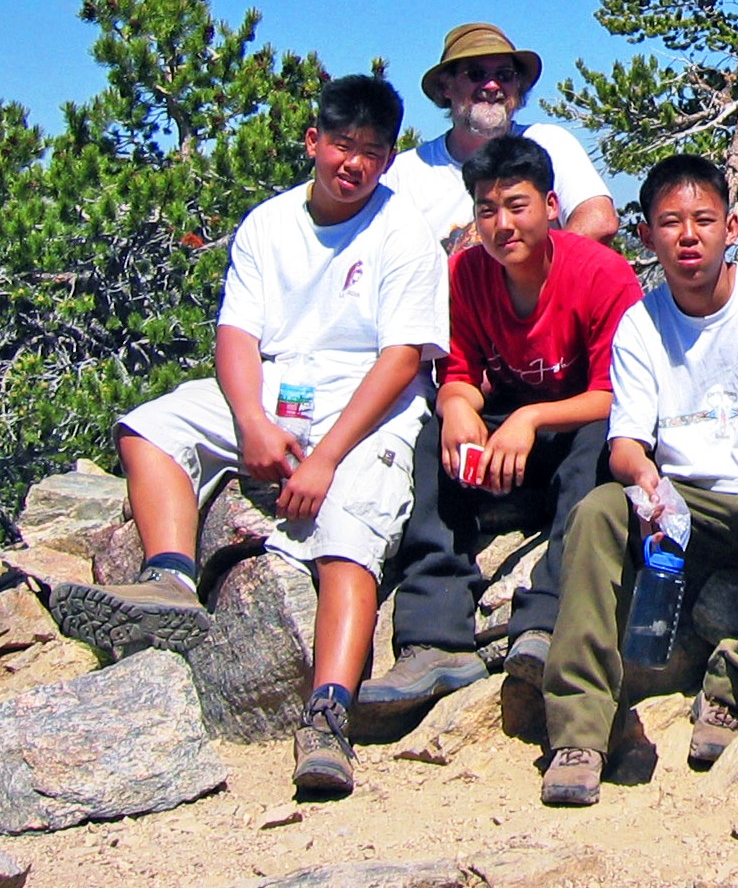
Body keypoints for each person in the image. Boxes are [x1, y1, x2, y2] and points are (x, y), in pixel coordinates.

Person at [50, 76, 448, 797]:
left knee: (350, 530)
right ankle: (169, 577)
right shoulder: (270, 223)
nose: (352, 164)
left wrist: (325, 461)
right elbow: (236, 333)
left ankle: (328, 714)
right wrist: (251, 424)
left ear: (389, 159)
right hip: (277, 382)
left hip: (368, 400)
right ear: (313, 142)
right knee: (151, 425)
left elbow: (400, 359)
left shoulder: (403, 232)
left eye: (370, 151)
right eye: (340, 145)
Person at [540, 155, 738, 806]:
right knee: (600, 511)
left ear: (731, 227)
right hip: (684, 499)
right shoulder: (642, 324)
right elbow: (626, 440)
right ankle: (580, 730)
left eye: (703, 220)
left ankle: (732, 690)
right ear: (646, 235)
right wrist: (645, 480)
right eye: (670, 223)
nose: (688, 236)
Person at [354, 136, 642, 716]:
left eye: (517, 205)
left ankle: (545, 622)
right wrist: (457, 404)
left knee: (600, 438)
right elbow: (456, 372)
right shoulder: (465, 273)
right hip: (509, 443)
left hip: (572, 432)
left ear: (552, 205)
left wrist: (530, 417)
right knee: (436, 434)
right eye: (487, 210)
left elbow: (618, 393)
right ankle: (434, 637)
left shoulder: (601, 273)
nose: (503, 224)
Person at [385, 22, 618, 253]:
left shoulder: (548, 143)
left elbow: (599, 221)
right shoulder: (405, 173)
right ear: (446, 86)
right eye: (476, 74)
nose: (492, 85)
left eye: (505, 75)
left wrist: (537, 279)